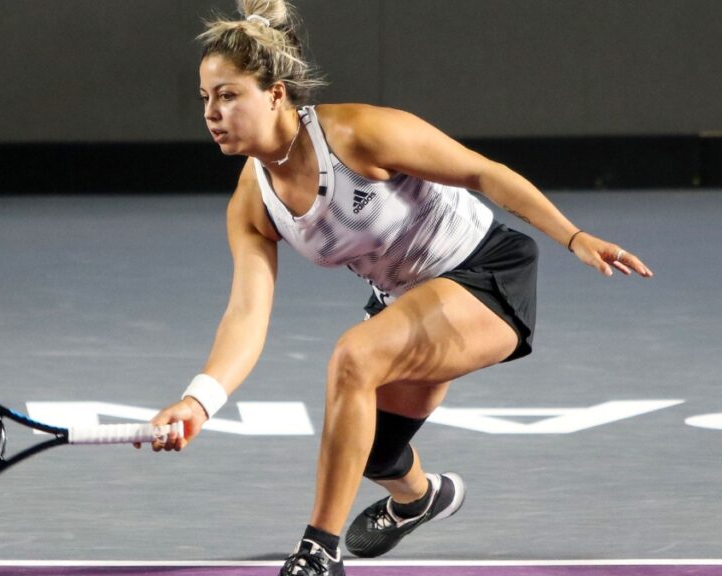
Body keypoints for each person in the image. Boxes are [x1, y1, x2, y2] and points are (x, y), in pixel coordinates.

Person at [140, 1, 654, 574]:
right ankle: (420, 498)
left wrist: (573, 236)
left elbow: (481, 172)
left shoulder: (357, 134)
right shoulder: (252, 202)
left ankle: (318, 551)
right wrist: (199, 401)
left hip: (484, 273)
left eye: (229, 95)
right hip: (408, 299)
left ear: (276, 93)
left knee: (354, 357)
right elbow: (246, 315)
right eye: (205, 98)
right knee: (374, 451)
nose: (212, 113)